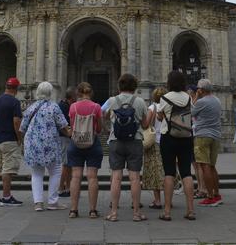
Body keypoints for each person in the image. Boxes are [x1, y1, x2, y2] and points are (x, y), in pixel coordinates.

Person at [104, 73, 150, 222]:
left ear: (119, 86)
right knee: (135, 178)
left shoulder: (112, 100)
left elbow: (100, 113)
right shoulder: (140, 102)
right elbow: (144, 125)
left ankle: (114, 213)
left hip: (115, 141)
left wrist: (107, 127)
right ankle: (136, 213)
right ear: (135, 86)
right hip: (135, 141)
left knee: (116, 177)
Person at [21, 81, 71, 212]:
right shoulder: (54, 107)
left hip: (33, 144)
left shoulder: (31, 107)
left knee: (36, 173)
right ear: (50, 92)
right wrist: (72, 134)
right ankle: (53, 202)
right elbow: (63, 126)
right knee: (55, 172)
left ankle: (38, 203)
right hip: (50, 145)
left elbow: (22, 128)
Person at [156, 70, 195, 221]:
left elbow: (159, 117)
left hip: (169, 137)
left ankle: (166, 211)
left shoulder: (165, 98)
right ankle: (190, 210)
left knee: (169, 173)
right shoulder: (187, 97)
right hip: (186, 136)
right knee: (186, 172)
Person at [67, 82, 103, 219]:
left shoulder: (73, 107)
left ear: (78, 93)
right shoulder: (96, 107)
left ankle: (73, 210)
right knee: (92, 177)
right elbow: (99, 129)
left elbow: (72, 126)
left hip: (75, 143)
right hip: (92, 142)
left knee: (76, 176)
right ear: (91, 92)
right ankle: (93, 210)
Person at [0, 77, 24, 206]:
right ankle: (7, 197)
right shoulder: (14, 102)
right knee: (7, 169)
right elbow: (16, 121)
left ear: (6, 87)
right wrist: (19, 137)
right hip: (9, 139)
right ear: (16, 89)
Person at [192, 79, 223, 207]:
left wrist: (196, 97)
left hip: (203, 136)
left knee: (204, 166)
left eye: (198, 88)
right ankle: (217, 194)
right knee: (212, 166)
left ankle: (210, 196)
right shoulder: (217, 100)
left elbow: (190, 113)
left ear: (201, 90)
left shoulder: (201, 102)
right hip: (215, 135)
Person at [143, 86, 167, 209]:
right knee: (167, 171)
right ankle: (169, 200)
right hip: (166, 141)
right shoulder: (167, 107)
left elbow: (146, 124)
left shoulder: (152, 108)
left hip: (154, 142)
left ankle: (157, 200)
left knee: (155, 171)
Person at [57, 87, 76, 198]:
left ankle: (68, 188)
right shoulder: (63, 107)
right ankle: (60, 189)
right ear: (72, 97)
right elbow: (64, 124)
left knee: (68, 164)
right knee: (65, 164)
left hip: (66, 138)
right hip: (64, 138)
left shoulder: (65, 105)